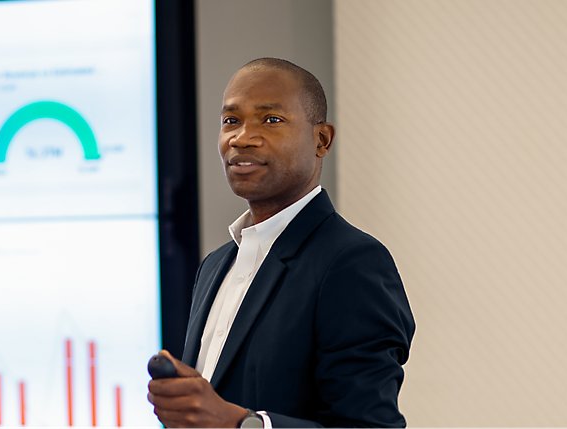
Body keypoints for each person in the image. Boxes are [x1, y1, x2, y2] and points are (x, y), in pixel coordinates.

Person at [147, 58, 416, 428]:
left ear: (321, 140)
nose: (242, 137)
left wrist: (244, 425)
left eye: (270, 120)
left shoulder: (353, 262)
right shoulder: (215, 265)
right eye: (231, 120)